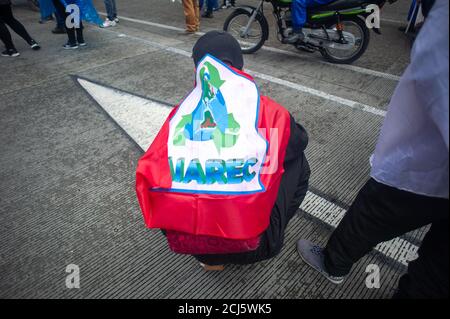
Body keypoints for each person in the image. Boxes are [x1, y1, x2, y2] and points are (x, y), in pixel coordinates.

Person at [297, 0, 448, 299]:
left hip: (427, 161)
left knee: (375, 211)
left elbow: (436, 67)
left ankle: (333, 263)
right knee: (439, 267)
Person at [136, 31, 310, 270]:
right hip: (258, 242)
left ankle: (209, 259)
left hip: (191, 242)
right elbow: (300, 141)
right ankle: (259, 225)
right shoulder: (270, 112)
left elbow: (150, 174)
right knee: (297, 160)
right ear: (239, 64)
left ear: (197, 69)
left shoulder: (179, 116)